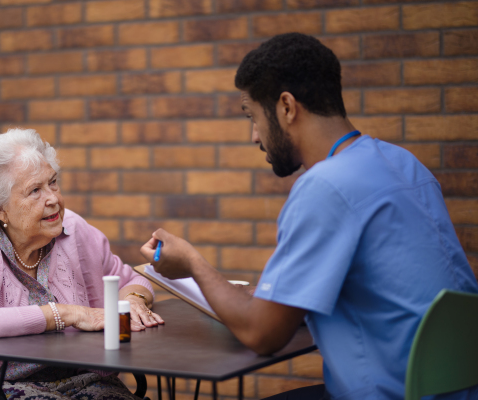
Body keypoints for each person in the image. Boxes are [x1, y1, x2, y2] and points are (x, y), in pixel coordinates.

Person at [140, 33, 478, 400]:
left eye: (253, 117)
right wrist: (264, 296)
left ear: (286, 107)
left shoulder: (325, 186)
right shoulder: (404, 164)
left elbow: (261, 335)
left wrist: (192, 262)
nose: (255, 136)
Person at [0, 128, 164, 400]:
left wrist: (132, 300)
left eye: (53, 182)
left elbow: (131, 280)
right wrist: (64, 314)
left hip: (81, 378)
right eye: (35, 190)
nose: (52, 199)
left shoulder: (73, 229)